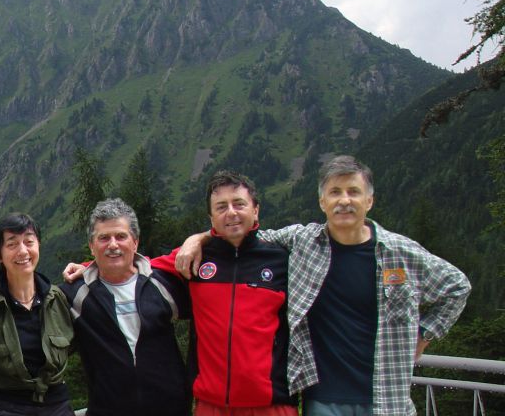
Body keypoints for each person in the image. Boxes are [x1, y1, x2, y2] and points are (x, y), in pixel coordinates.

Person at [176, 155, 471, 416]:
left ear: (369, 200)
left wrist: (424, 334)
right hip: (322, 396)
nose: (344, 200)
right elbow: (240, 232)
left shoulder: (401, 253)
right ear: (322, 202)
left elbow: (457, 287)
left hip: (388, 397)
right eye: (335, 192)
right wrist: (197, 239)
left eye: (354, 192)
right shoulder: (303, 242)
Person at [150, 170, 297, 416]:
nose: (231, 212)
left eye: (239, 204)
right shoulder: (193, 257)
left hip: (272, 405)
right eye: (221, 207)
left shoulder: (282, 259)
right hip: (212, 405)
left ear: (256, 210)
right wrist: (90, 267)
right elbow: (137, 270)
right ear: (211, 217)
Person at [59, 198, 190, 416]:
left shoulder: (163, 284)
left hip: (171, 409)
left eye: (121, 236)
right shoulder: (75, 295)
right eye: (103, 238)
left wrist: (198, 238)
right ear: (92, 246)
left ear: (135, 242)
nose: (113, 245)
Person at [0, 213, 74, 416]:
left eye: (29, 242)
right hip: (5, 406)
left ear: (38, 246)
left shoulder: (59, 299)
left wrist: (88, 268)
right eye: (12, 244)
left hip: (57, 405)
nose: (23, 251)